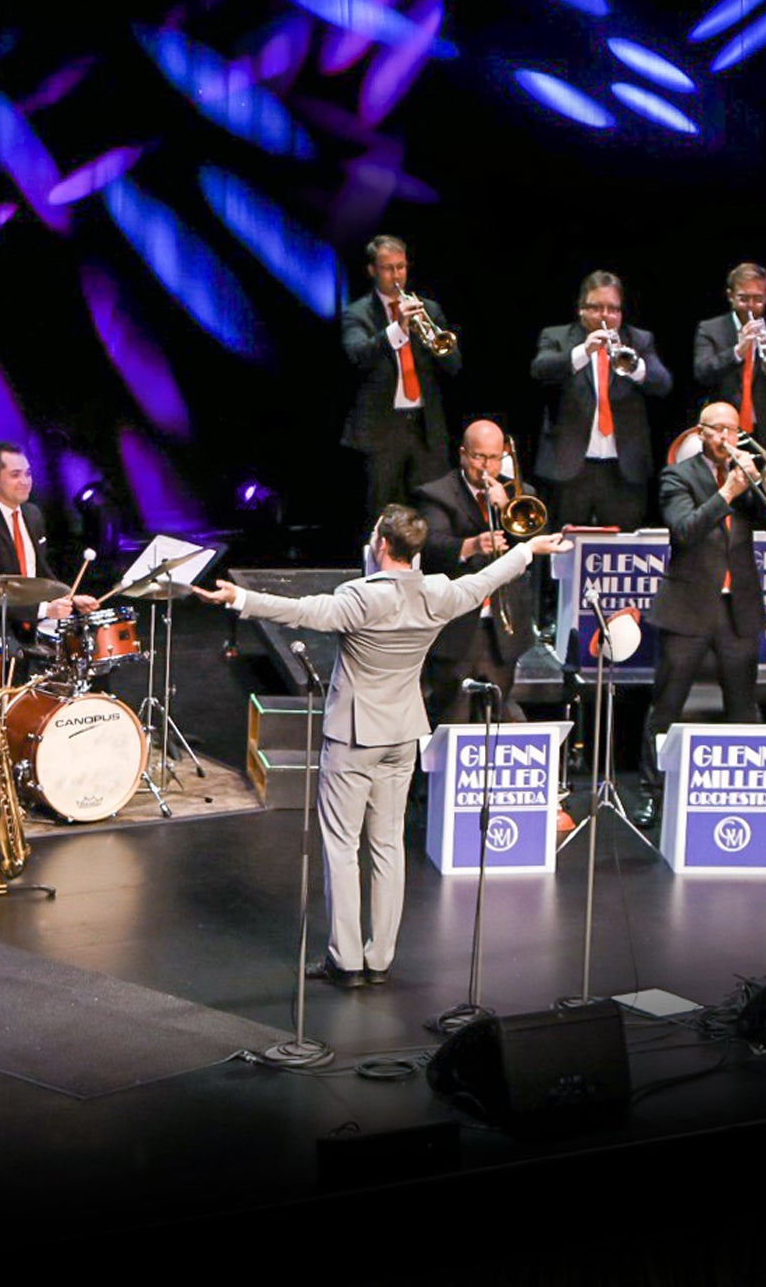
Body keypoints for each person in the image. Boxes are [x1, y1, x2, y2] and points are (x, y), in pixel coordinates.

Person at [194, 508, 571, 987]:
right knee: (388, 844)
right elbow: (485, 580)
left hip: (354, 736)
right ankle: (380, 959)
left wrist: (240, 597)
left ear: (383, 546)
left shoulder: (360, 597)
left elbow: (302, 611)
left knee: (342, 846)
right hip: (402, 734)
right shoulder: (437, 592)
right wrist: (527, 549)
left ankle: (346, 959)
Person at [643, 403, 766, 819]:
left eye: (733, 430)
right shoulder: (678, 475)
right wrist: (727, 491)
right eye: (719, 430)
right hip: (688, 609)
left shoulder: (748, 475)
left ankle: (745, 790)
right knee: (667, 706)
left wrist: (759, 484)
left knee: (743, 706)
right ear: (701, 433)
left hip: (737, 610)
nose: (727, 437)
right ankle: (653, 792)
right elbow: (684, 530)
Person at [412, 420, 543, 723]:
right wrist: (471, 545)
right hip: (457, 628)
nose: (486, 466)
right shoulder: (437, 493)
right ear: (463, 454)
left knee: (497, 715)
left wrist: (506, 507)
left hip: (502, 628)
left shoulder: (521, 494)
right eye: (479, 457)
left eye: (494, 457)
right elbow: (430, 544)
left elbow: (536, 544)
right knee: (452, 715)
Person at [530, 270, 673, 530]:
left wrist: (632, 366)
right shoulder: (557, 336)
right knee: (563, 545)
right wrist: (584, 351)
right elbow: (540, 369)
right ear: (581, 309)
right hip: (569, 469)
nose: (605, 315)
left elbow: (662, 383)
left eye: (612, 309)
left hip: (623, 471)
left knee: (622, 548)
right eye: (596, 308)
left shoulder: (639, 340)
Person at [340, 235, 460, 517]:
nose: (396, 276)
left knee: (434, 511)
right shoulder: (357, 313)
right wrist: (397, 328)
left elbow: (454, 365)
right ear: (372, 270)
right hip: (382, 432)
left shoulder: (428, 309)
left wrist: (432, 340)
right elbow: (358, 356)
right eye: (387, 268)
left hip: (426, 430)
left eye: (401, 267)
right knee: (382, 514)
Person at [0, 442, 98, 630]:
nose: (25, 481)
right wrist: (44, 610)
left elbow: (39, 572)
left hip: (28, 620)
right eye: (15, 475)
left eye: (28, 474)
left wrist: (69, 599)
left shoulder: (33, 514)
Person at [691, 262, 766, 451]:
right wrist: (738, 351)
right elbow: (702, 374)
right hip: (724, 433)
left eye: (758, 299)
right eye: (744, 299)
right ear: (730, 295)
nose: (750, 306)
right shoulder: (710, 329)